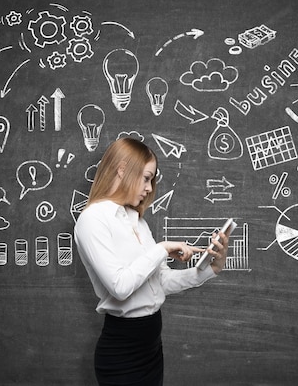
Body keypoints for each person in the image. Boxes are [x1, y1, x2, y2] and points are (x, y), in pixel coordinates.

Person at [74, 137, 231, 386]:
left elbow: (160, 282)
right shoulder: (92, 220)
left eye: (152, 180)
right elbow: (120, 287)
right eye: (147, 178)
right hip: (122, 353)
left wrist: (209, 268)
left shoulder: (137, 220)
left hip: (152, 348)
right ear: (123, 170)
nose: (149, 188)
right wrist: (162, 249)